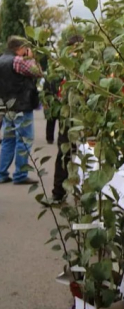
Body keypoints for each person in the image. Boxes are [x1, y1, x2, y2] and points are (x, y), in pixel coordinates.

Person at [0, 36, 43, 184]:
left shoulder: (1, 60)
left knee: (8, 141)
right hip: (21, 106)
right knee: (23, 140)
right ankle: (20, 175)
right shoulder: (18, 61)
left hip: (7, 106)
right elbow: (37, 72)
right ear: (20, 48)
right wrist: (31, 58)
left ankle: (1, 173)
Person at [51, 34, 83, 202]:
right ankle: (64, 191)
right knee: (69, 153)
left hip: (72, 115)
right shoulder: (67, 65)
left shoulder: (63, 64)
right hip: (72, 115)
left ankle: (62, 192)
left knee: (68, 153)